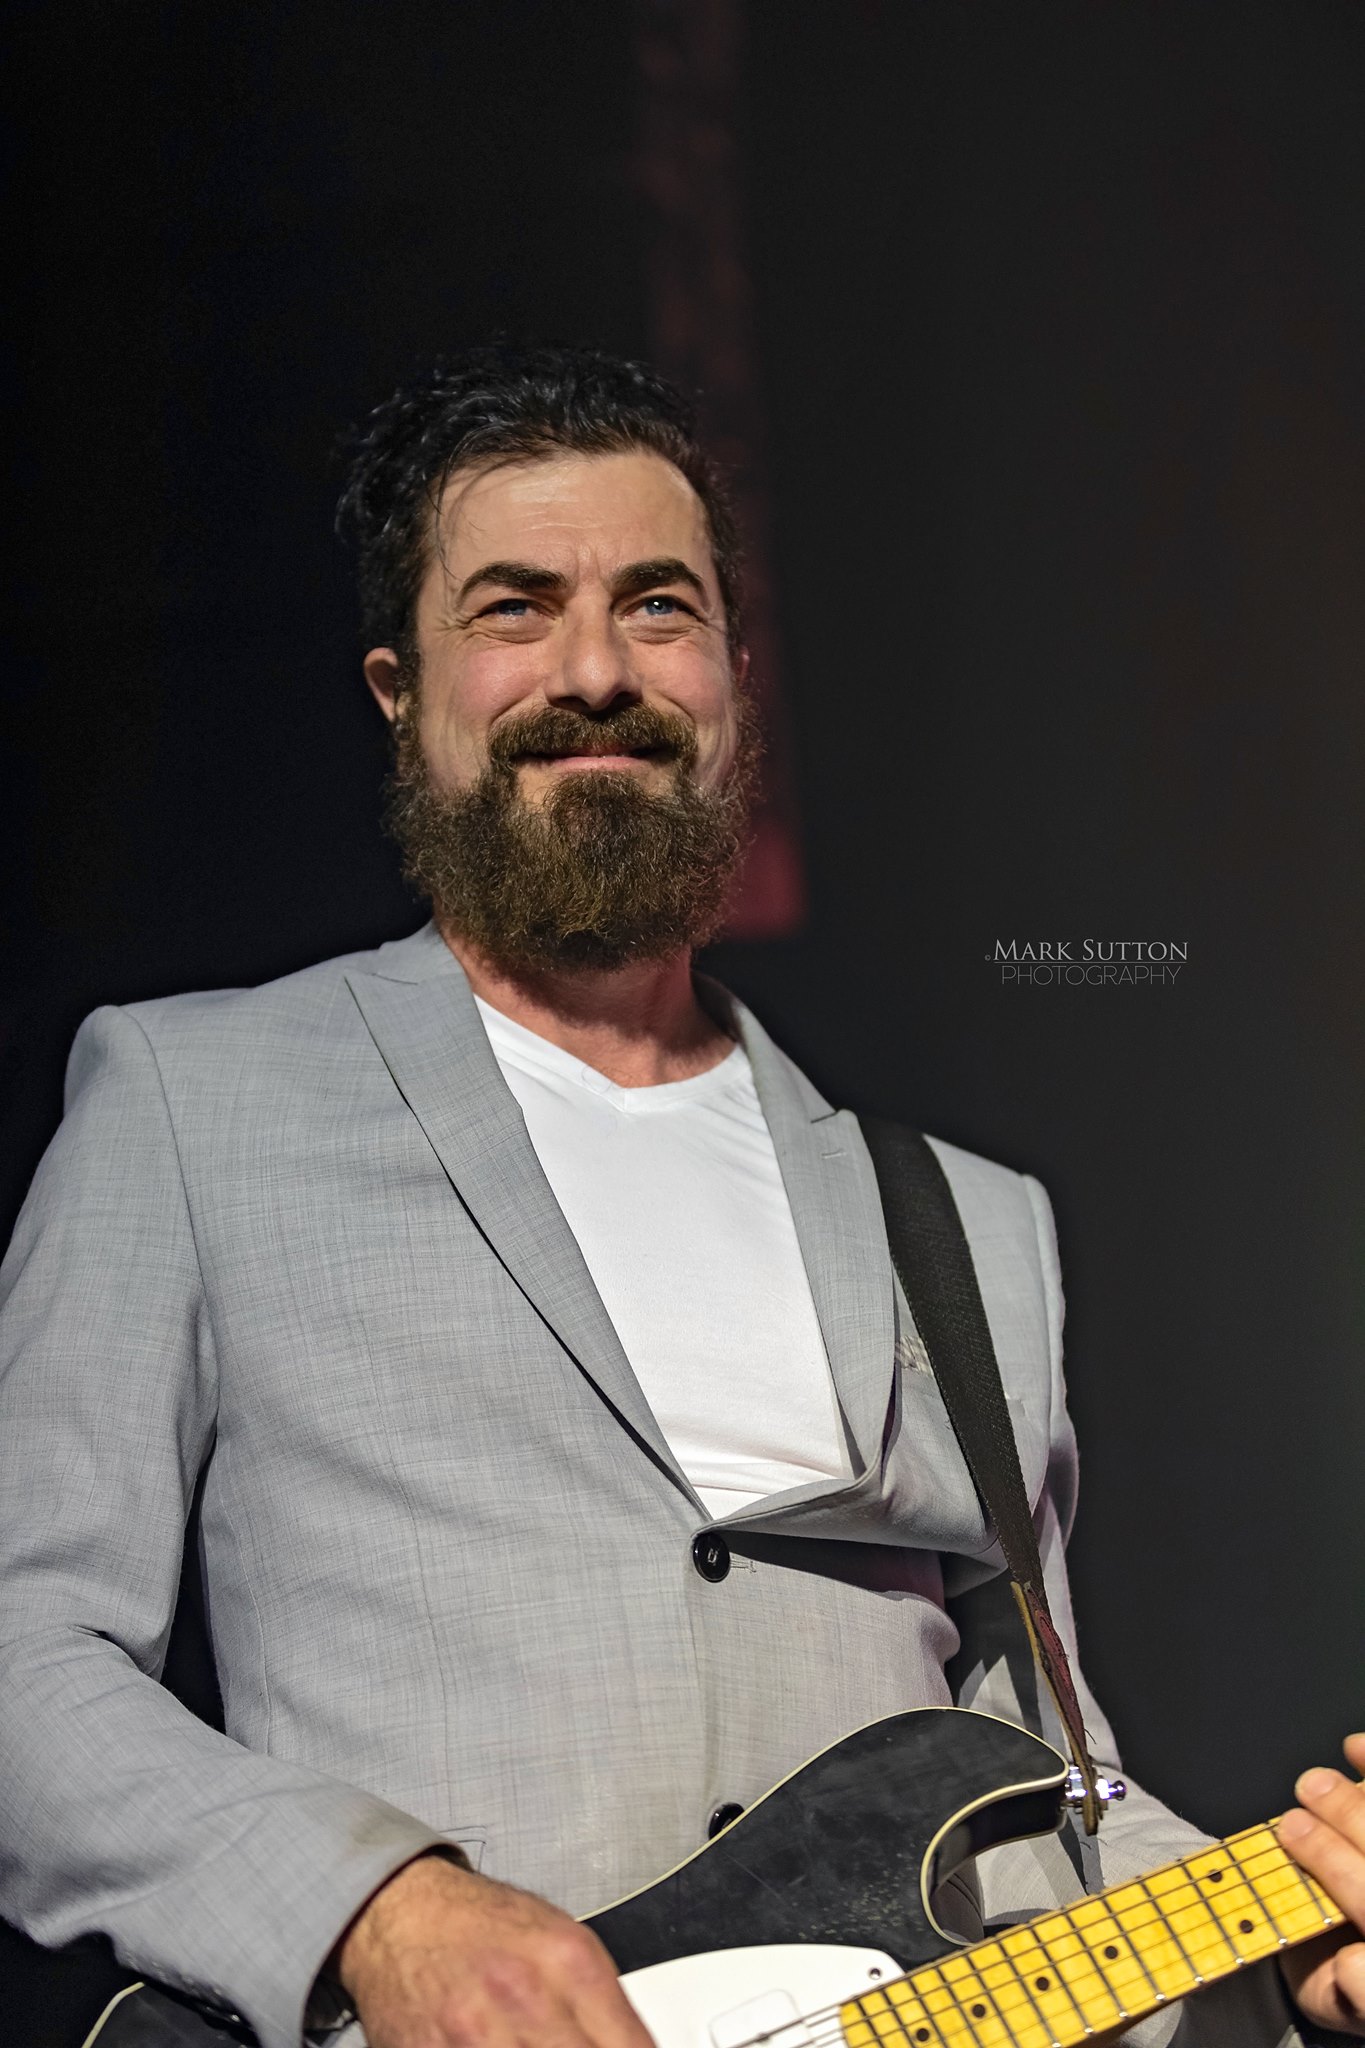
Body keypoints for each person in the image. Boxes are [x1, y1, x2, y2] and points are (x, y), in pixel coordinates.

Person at [0, 345, 1361, 2048]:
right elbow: (23, 1659)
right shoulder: (191, 1100)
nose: (592, 669)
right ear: (397, 692)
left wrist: (1287, 1945)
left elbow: (1053, 1796)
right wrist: (370, 1902)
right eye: (512, 609)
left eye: (655, 606)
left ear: (732, 675)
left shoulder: (964, 1226)